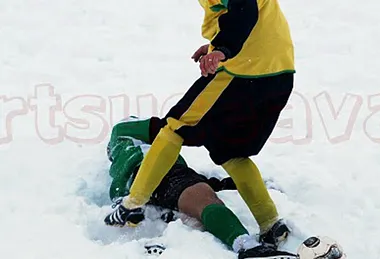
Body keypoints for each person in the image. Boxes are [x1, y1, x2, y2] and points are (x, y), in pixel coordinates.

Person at [105, 0, 295, 249]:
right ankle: (270, 223)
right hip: (278, 75)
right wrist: (215, 46)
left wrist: (223, 49)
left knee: (174, 128)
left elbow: (243, 11)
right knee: (230, 151)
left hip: (243, 75)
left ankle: (132, 205)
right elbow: (253, 24)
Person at [105, 117, 297, 259]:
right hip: (165, 175)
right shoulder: (126, 132)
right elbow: (167, 126)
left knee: (194, 196)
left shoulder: (120, 158)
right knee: (204, 201)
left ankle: (161, 214)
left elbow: (120, 181)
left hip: (155, 184)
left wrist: (122, 201)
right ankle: (247, 246)